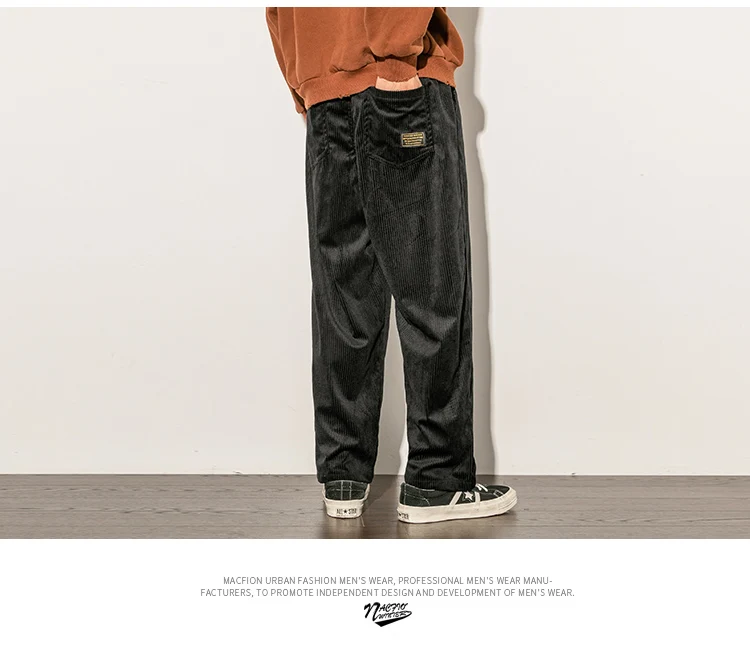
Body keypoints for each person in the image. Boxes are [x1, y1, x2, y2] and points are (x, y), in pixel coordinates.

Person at [265, 7, 517, 524]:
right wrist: (396, 60)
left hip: (324, 94)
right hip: (398, 85)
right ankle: (437, 480)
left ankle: (343, 475)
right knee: (432, 291)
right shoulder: (395, 64)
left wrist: (306, 82)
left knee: (343, 293)